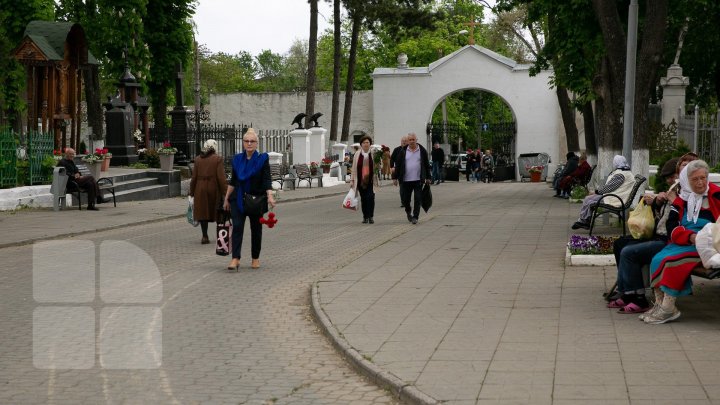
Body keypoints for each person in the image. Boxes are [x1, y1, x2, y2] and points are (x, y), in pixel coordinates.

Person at [644, 159, 720, 324]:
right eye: (695, 179)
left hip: (707, 245)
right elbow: (671, 226)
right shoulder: (681, 199)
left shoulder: (716, 194)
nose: (700, 182)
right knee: (657, 259)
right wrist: (690, 237)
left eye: (703, 178)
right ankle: (660, 304)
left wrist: (703, 237)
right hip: (684, 241)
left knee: (672, 261)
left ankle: (668, 308)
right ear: (687, 180)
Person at [607, 157, 682, 314]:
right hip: (659, 235)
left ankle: (639, 298)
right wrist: (657, 202)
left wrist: (671, 201)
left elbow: (678, 221)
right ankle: (626, 292)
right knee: (620, 244)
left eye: (673, 176)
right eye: (668, 178)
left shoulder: (684, 194)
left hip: (668, 241)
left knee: (629, 252)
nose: (670, 181)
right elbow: (662, 217)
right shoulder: (674, 191)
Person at [223, 128, 276, 270]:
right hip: (238, 199)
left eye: (252, 141)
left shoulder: (262, 159)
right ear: (243, 143)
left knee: (256, 229)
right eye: (246, 141)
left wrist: (270, 195)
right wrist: (226, 198)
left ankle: (255, 258)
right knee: (237, 227)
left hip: (256, 200)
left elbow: (267, 179)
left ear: (257, 143)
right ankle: (235, 258)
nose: (249, 144)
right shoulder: (237, 160)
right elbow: (233, 181)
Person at [571, 155, 635, 230]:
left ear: (617, 163)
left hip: (615, 199)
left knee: (589, 200)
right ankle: (584, 220)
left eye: (614, 162)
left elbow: (609, 187)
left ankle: (584, 220)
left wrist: (596, 192)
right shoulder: (624, 171)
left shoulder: (621, 175)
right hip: (614, 196)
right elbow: (610, 187)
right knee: (588, 199)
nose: (613, 163)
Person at [189, 139, 227, 244]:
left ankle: (204, 236)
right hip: (214, 188)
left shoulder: (197, 159)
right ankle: (221, 237)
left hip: (200, 188)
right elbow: (221, 178)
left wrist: (191, 193)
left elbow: (194, 178)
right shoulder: (218, 159)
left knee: (203, 212)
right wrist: (225, 192)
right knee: (219, 211)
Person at [392, 132, 431, 224]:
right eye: (410, 140)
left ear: (416, 140)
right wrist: (394, 178)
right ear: (407, 141)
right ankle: (408, 212)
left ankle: (415, 216)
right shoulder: (403, 151)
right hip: (405, 180)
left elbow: (426, 164)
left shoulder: (422, 150)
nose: (412, 141)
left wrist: (428, 177)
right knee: (405, 199)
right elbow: (397, 165)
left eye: (413, 139)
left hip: (418, 179)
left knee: (418, 198)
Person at [350, 135, 380, 224]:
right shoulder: (357, 154)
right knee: (364, 199)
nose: (366, 144)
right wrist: (352, 180)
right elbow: (354, 168)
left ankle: (371, 216)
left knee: (370, 197)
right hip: (360, 181)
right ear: (361, 144)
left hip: (371, 180)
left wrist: (378, 162)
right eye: (364, 142)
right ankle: (365, 216)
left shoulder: (374, 153)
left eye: (367, 142)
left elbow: (378, 167)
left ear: (370, 144)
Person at [390, 136, 408, 207]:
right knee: (402, 188)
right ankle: (403, 202)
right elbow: (392, 160)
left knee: (408, 189)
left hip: (409, 173)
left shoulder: (410, 150)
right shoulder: (397, 150)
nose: (404, 142)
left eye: (405, 141)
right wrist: (394, 177)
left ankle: (407, 201)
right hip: (400, 173)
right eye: (402, 140)